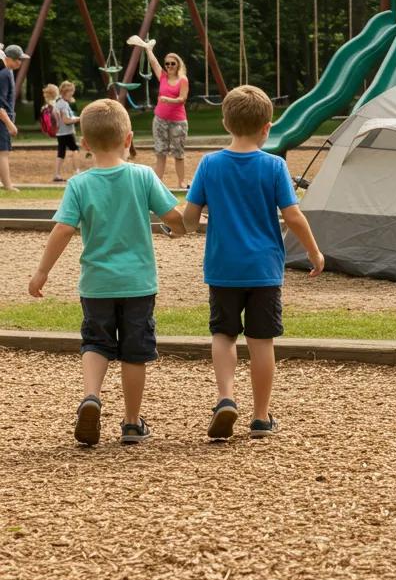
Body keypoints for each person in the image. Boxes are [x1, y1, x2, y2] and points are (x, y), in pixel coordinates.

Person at [27, 99, 184, 446]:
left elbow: (63, 230)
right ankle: (131, 422)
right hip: (138, 283)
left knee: (96, 342)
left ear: (84, 144)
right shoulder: (142, 175)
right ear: (128, 138)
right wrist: (183, 227)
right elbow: (173, 217)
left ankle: (92, 396)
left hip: (96, 284)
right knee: (134, 351)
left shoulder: (79, 185)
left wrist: (42, 272)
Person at [183, 85, 325, 441]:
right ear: (267, 127)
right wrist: (313, 251)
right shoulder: (274, 166)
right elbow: (292, 216)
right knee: (262, 342)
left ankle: (226, 397)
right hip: (264, 269)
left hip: (222, 267)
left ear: (225, 121)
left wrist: (183, 227)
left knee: (223, 334)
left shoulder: (209, 164)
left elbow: (189, 216)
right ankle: (261, 416)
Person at [140, 41, 190, 187]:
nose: (169, 66)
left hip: (178, 122)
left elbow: (182, 99)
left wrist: (168, 99)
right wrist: (148, 49)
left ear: (178, 65)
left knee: (178, 153)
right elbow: (154, 62)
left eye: (172, 64)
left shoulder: (183, 80)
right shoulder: (162, 76)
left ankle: (181, 182)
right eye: (167, 64)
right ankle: (157, 183)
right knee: (160, 152)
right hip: (160, 120)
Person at [0, 43, 28, 192]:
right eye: (17, 59)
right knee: (3, 153)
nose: (20, 62)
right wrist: (9, 123)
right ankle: (8, 185)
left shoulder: (8, 72)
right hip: (2, 120)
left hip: (5, 117)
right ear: (9, 59)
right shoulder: (4, 74)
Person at [54, 80, 82, 181]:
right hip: (67, 132)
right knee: (75, 150)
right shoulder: (64, 104)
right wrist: (79, 119)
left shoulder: (59, 102)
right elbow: (66, 120)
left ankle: (56, 175)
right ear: (65, 92)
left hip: (60, 132)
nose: (72, 93)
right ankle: (77, 171)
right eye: (70, 91)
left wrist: (76, 117)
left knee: (61, 153)